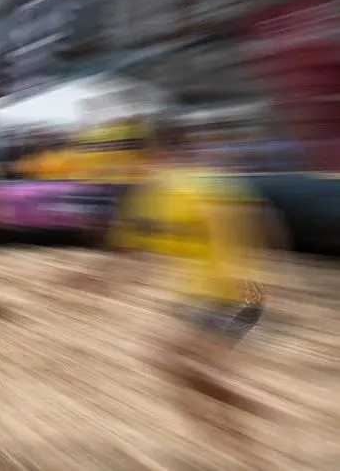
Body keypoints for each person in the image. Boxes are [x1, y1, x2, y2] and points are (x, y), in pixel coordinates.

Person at [72, 120, 279, 468]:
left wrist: (96, 279)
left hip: (216, 296)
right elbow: (268, 227)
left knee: (184, 369)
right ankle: (248, 453)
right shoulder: (222, 182)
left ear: (153, 152)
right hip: (242, 292)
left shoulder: (162, 189)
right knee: (187, 373)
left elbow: (137, 257)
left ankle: (264, 413)